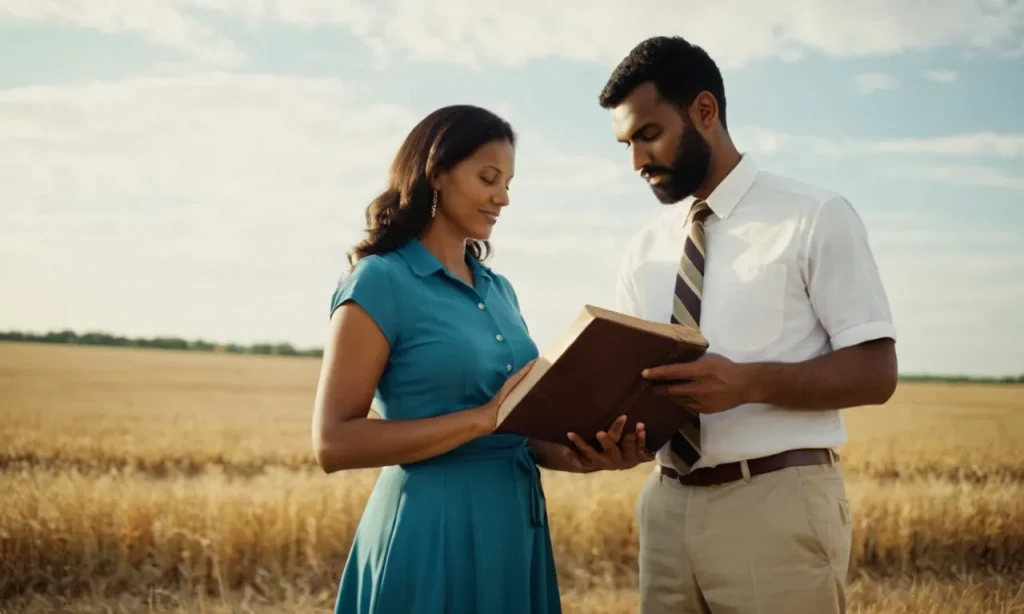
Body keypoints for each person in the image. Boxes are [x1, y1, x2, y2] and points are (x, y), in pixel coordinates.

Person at [596, 37, 899, 613]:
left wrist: (750, 383)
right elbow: (635, 387)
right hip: (665, 509)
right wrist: (613, 437)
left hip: (776, 505)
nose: (636, 161)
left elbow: (876, 372)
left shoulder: (814, 215)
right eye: (626, 144)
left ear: (704, 112)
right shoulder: (644, 249)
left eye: (648, 134)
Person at [311, 104, 647, 614]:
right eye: (488, 178)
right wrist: (481, 418)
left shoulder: (500, 289)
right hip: (431, 529)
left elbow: (519, 429)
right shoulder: (380, 280)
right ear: (437, 173)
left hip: (515, 528)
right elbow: (333, 442)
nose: (503, 197)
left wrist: (583, 456)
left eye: (509, 182)